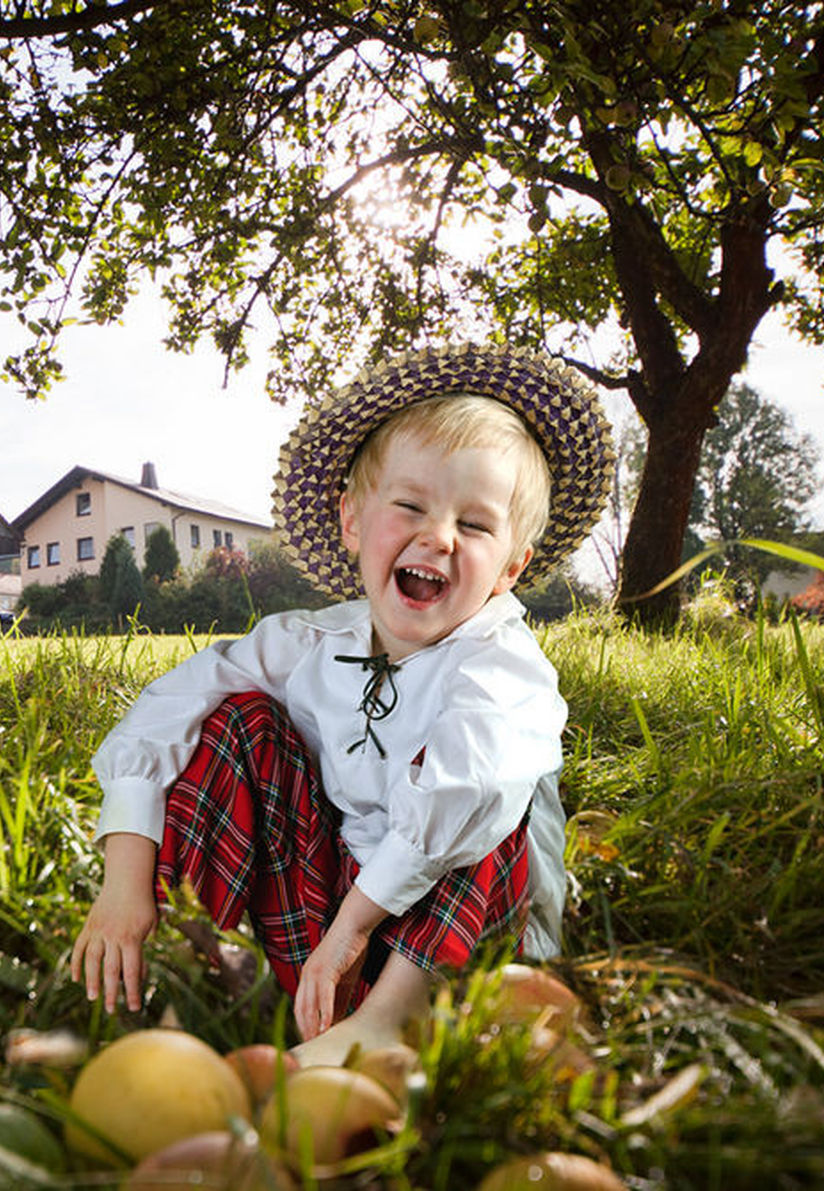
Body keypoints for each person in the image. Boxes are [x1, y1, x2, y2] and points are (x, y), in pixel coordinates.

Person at [68, 343, 613, 1064]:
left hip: (448, 949)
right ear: (354, 521)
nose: (439, 535)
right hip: (318, 936)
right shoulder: (314, 642)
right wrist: (125, 879)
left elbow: (467, 787)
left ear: (512, 567)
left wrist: (355, 928)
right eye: (411, 505)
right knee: (239, 720)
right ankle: (186, 970)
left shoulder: (500, 664)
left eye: (475, 525)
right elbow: (168, 707)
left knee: (482, 791)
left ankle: (388, 1023)